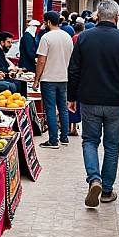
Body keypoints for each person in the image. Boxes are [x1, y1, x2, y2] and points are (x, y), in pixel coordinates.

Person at [68, 0, 119, 207]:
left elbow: (73, 70)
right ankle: (106, 190)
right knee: (112, 146)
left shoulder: (83, 38)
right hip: (116, 101)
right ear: (116, 17)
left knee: (90, 141)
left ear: (97, 16)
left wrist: (71, 97)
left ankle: (94, 179)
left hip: (89, 99)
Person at [33, 11, 74, 148]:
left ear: (48, 22)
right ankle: (64, 137)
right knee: (63, 107)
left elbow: (41, 61)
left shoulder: (46, 37)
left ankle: (53, 140)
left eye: (45, 22)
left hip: (49, 78)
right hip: (64, 77)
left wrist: (36, 79)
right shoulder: (67, 36)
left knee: (50, 108)